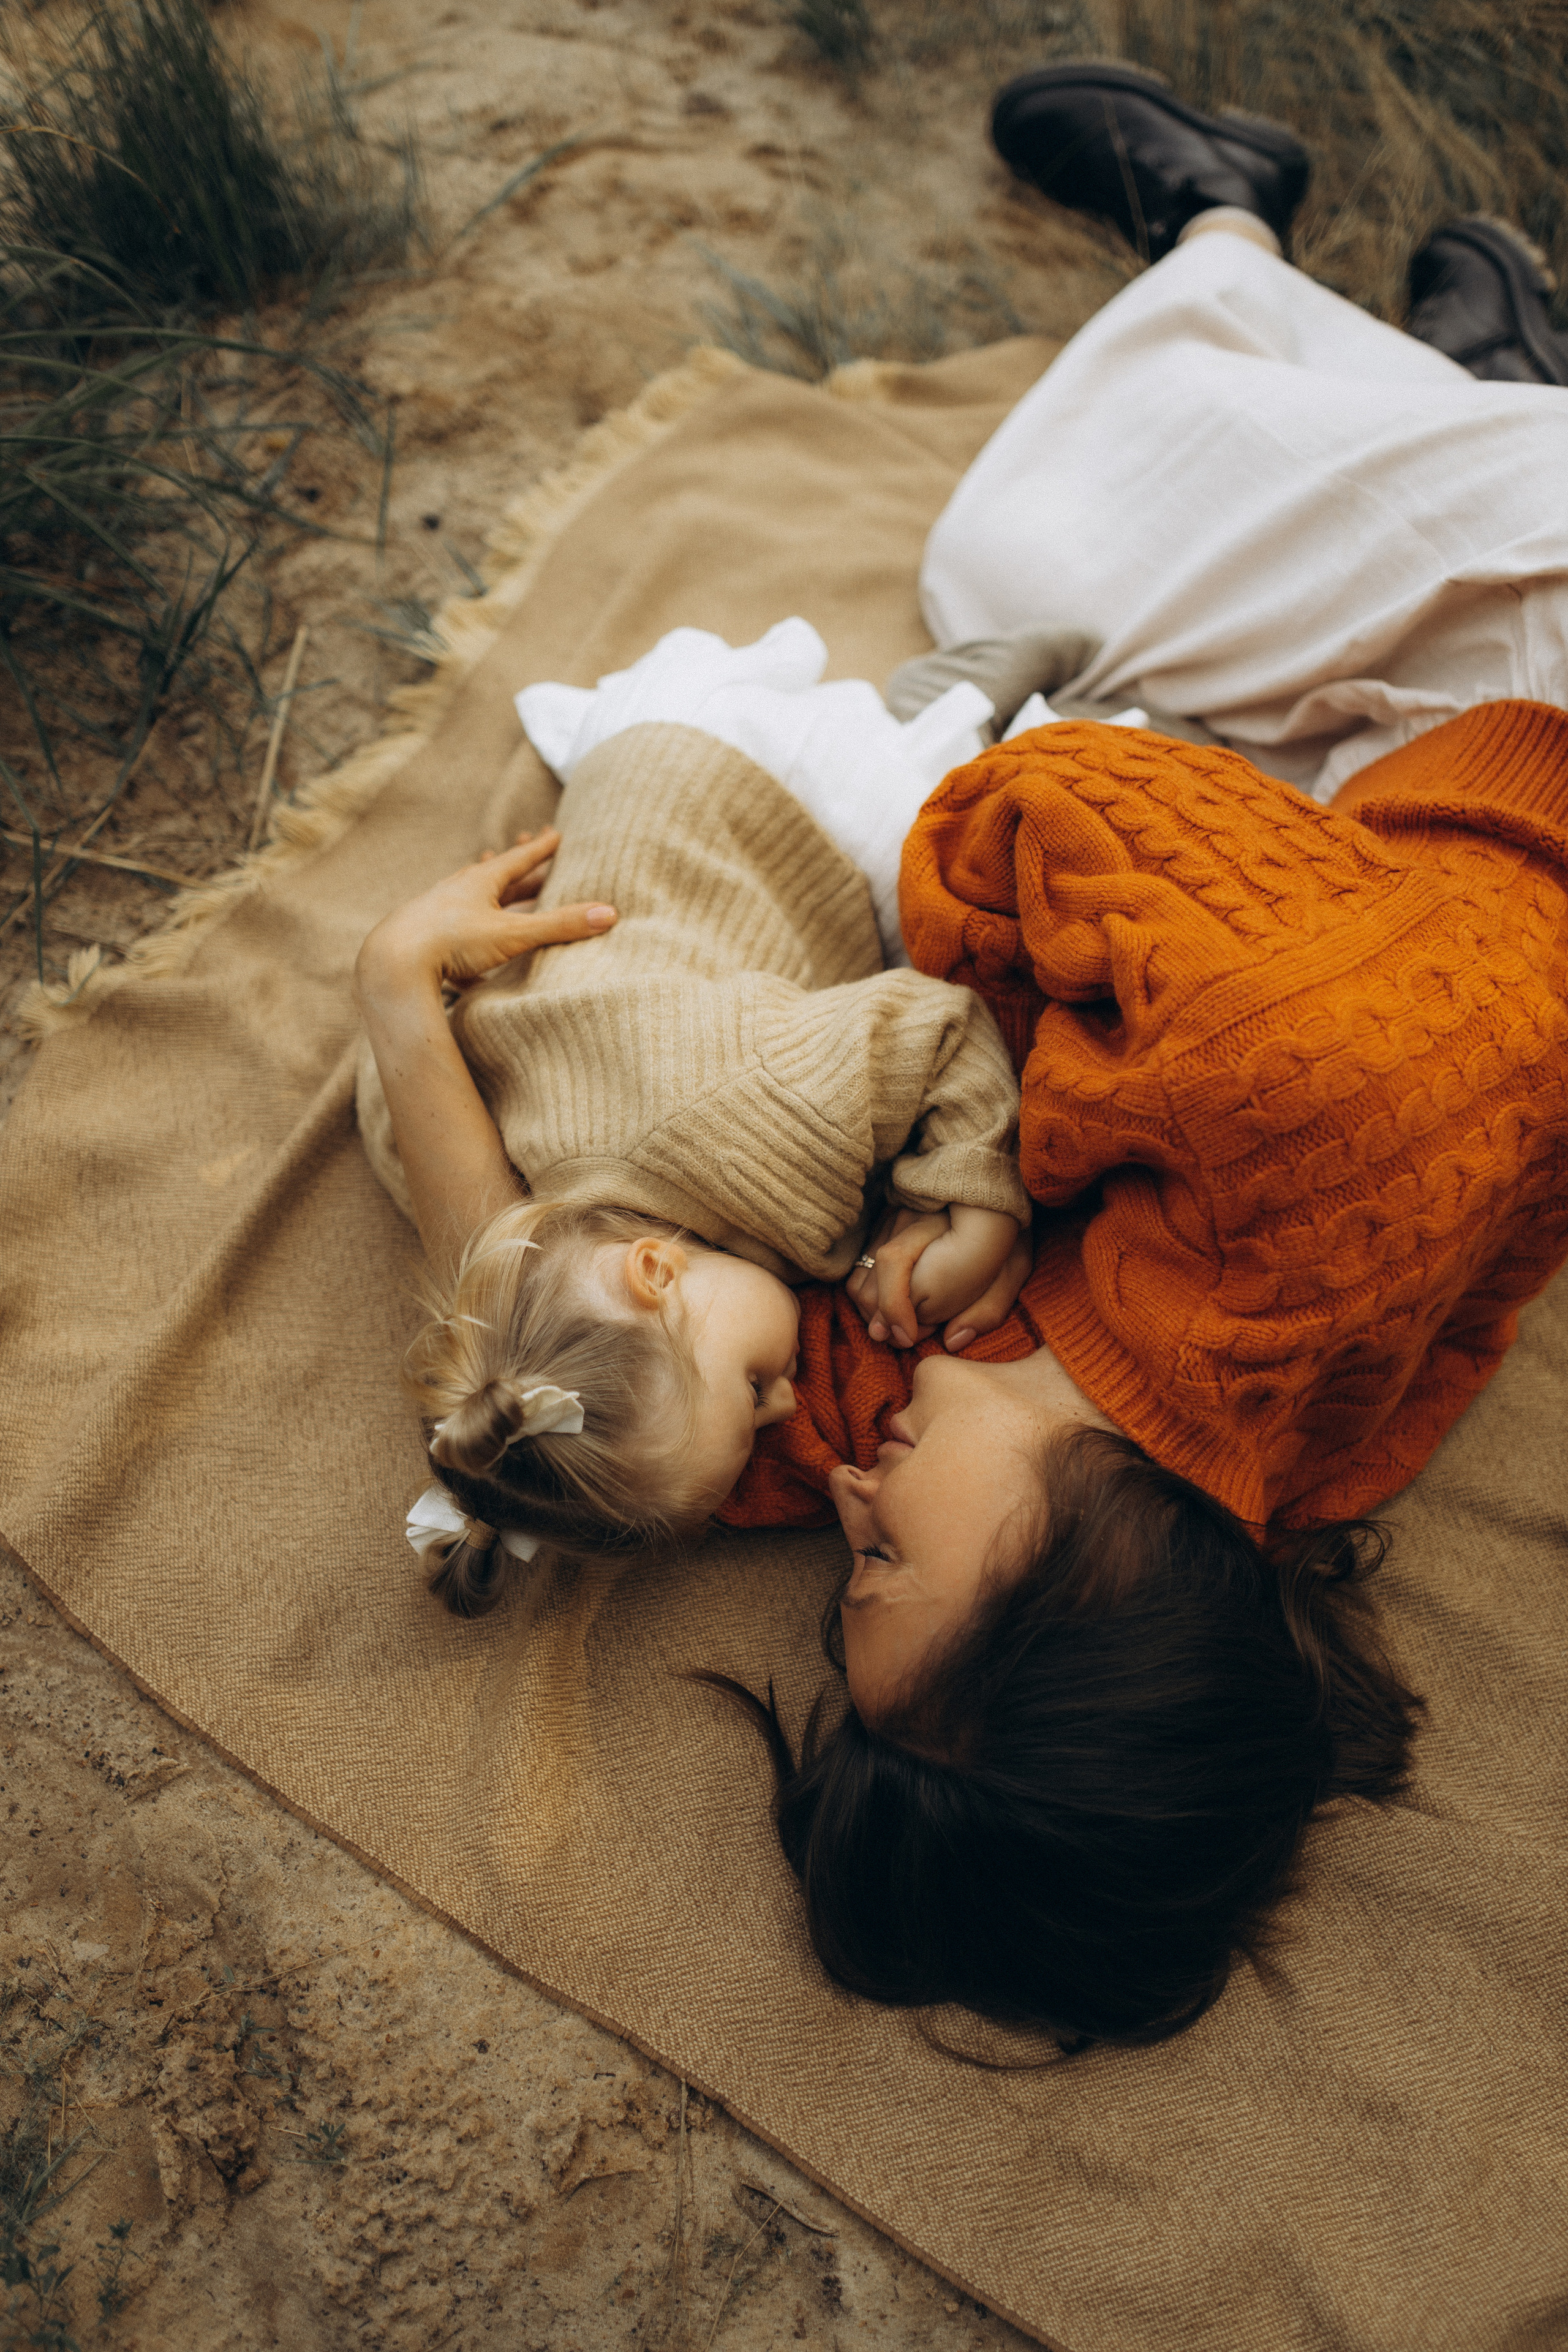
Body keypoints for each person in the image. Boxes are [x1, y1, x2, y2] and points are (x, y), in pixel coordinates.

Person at [704, 66, 1568, 2047]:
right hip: (1530, 694)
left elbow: (772, 1410)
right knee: (1014, 585)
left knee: (1117, 635)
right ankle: (1236, 236)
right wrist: (996, 1075)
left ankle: (1479, 361)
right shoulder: (1270, 1091)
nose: (847, 1509)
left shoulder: (1282, 1456)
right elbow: (1035, 816)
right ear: (1075, 1599)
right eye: (879, 1576)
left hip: (1422, 861)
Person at [353, 623, 1035, 1611]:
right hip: (639, 766)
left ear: (657, 1270)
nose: (789, 1403)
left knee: (970, 871)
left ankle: (977, 680)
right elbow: (387, 1096)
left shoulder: (749, 1111)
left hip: (768, 793)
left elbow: (940, 1027)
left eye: (750, 1388)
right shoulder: (511, 1245)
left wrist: (975, 1196)